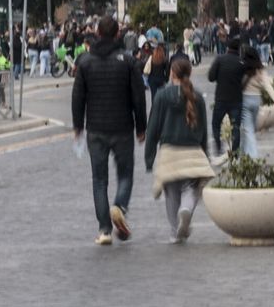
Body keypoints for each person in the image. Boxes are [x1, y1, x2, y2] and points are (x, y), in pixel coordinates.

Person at [72, 16, 147, 246]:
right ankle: (120, 205)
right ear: (117, 34)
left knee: (99, 180)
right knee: (125, 174)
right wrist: (141, 127)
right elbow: (138, 96)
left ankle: (104, 229)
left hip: (95, 128)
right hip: (123, 126)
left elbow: (78, 97)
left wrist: (78, 126)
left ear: (96, 32)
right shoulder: (127, 61)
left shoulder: (85, 61)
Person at [144, 57, 214, 245]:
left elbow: (153, 128)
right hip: (192, 151)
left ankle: (175, 231)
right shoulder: (197, 97)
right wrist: (205, 153)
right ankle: (186, 210)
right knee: (190, 189)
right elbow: (203, 129)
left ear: (172, 73)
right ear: (188, 73)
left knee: (171, 193)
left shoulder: (162, 96)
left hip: (169, 152)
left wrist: (149, 157)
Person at [238, 47, 274, 158]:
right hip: (257, 101)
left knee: (248, 130)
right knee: (250, 128)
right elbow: (268, 86)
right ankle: (243, 154)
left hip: (245, 100)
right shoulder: (261, 70)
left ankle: (253, 156)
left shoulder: (242, 69)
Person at [207, 39, 246, 157]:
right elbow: (245, 80)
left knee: (216, 124)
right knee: (236, 127)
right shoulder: (241, 62)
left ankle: (218, 147)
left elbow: (211, 77)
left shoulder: (220, 59)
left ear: (227, 47)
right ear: (239, 49)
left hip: (221, 98)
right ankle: (235, 152)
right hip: (236, 99)